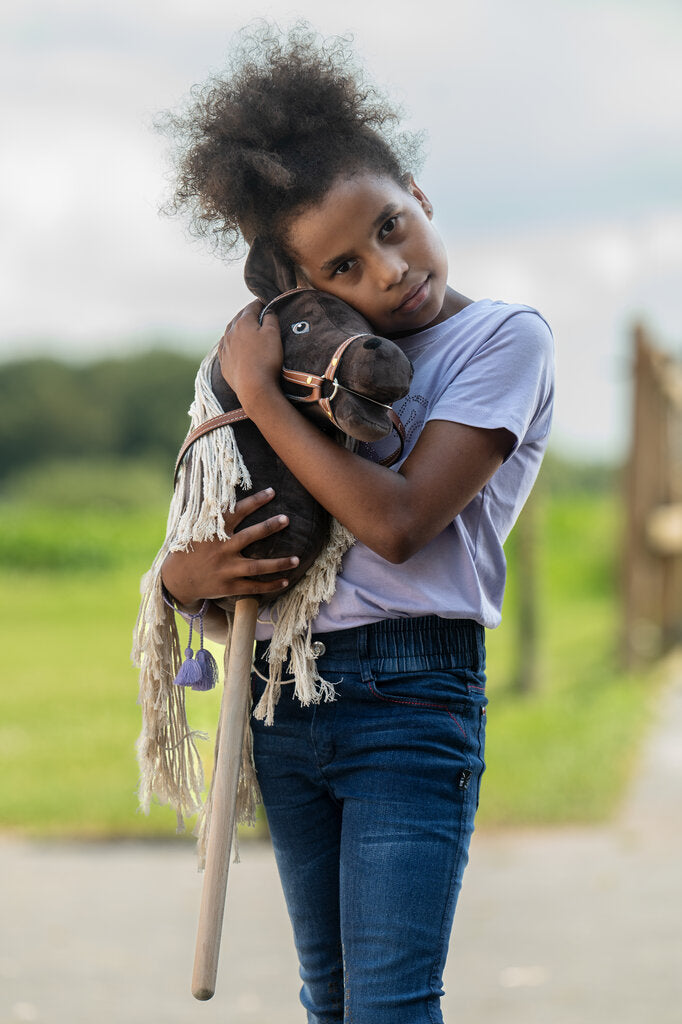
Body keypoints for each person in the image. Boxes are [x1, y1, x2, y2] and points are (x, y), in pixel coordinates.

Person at [160, 23, 554, 1024]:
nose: (384, 272)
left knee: (387, 1003)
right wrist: (186, 580)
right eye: (339, 269)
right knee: (329, 999)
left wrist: (262, 390)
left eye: (388, 226)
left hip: (410, 700)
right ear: (303, 292)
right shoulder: (309, 371)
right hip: (284, 696)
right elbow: (237, 521)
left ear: (416, 194)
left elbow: (399, 519)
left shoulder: (500, 340)